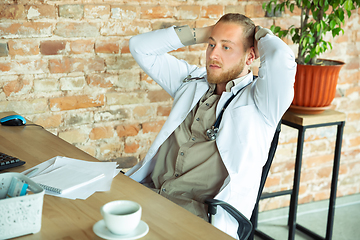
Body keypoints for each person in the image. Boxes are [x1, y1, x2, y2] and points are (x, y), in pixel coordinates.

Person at [126, 13, 296, 238]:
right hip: (150, 196)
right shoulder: (190, 82)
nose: (213, 54)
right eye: (211, 45)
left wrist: (259, 35)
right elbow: (139, 47)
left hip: (197, 218)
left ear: (249, 57)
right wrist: (208, 32)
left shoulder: (262, 103)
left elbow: (281, 59)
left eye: (226, 48)